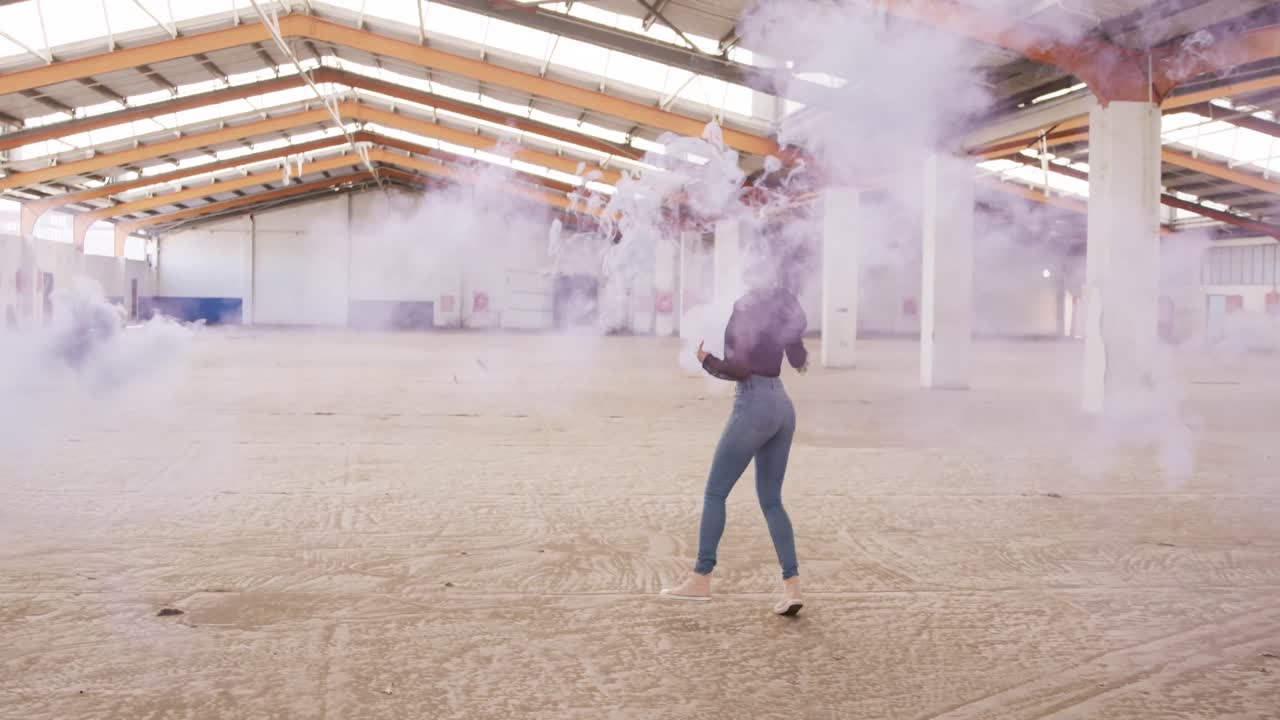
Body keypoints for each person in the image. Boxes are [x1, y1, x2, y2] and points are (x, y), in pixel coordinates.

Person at [661, 253, 809, 616]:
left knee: (715, 491)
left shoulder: (745, 307)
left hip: (753, 404)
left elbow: (739, 368)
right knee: (772, 501)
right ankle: (793, 588)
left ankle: (700, 578)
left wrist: (706, 360)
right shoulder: (786, 303)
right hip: (782, 406)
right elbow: (797, 359)